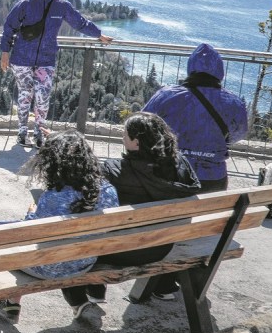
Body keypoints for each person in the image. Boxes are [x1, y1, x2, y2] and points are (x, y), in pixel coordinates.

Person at [0, 130, 119, 324]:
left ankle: (9, 303)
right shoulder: (108, 190)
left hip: (48, 267)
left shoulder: (55, 196)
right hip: (85, 261)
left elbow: (33, 234)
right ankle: (14, 303)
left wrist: (32, 212)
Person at [66, 112, 199, 305]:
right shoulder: (182, 167)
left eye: (125, 134)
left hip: (120, 251)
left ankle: (92, 290)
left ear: (136, 143)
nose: (122, 137)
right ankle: (97, 289)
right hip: (161, 247)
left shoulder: (114, 171)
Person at [0, 0, 113, 148]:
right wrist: (5, 52)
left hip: (46, 59)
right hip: (21, 58)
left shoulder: (62, 6)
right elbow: (9, 28)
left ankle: (39, 131)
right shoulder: (25, 4)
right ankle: (22, 131)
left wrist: (98, 35)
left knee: (43, 96)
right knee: (25, 94)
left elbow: (80, 23)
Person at [142, 43, 248, 194]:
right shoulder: (234, 102)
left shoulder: (167, 95)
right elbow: (239, 133)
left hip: (172, 174)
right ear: (219, 70)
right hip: (213, 180)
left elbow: (141, 125)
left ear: (190, 67)